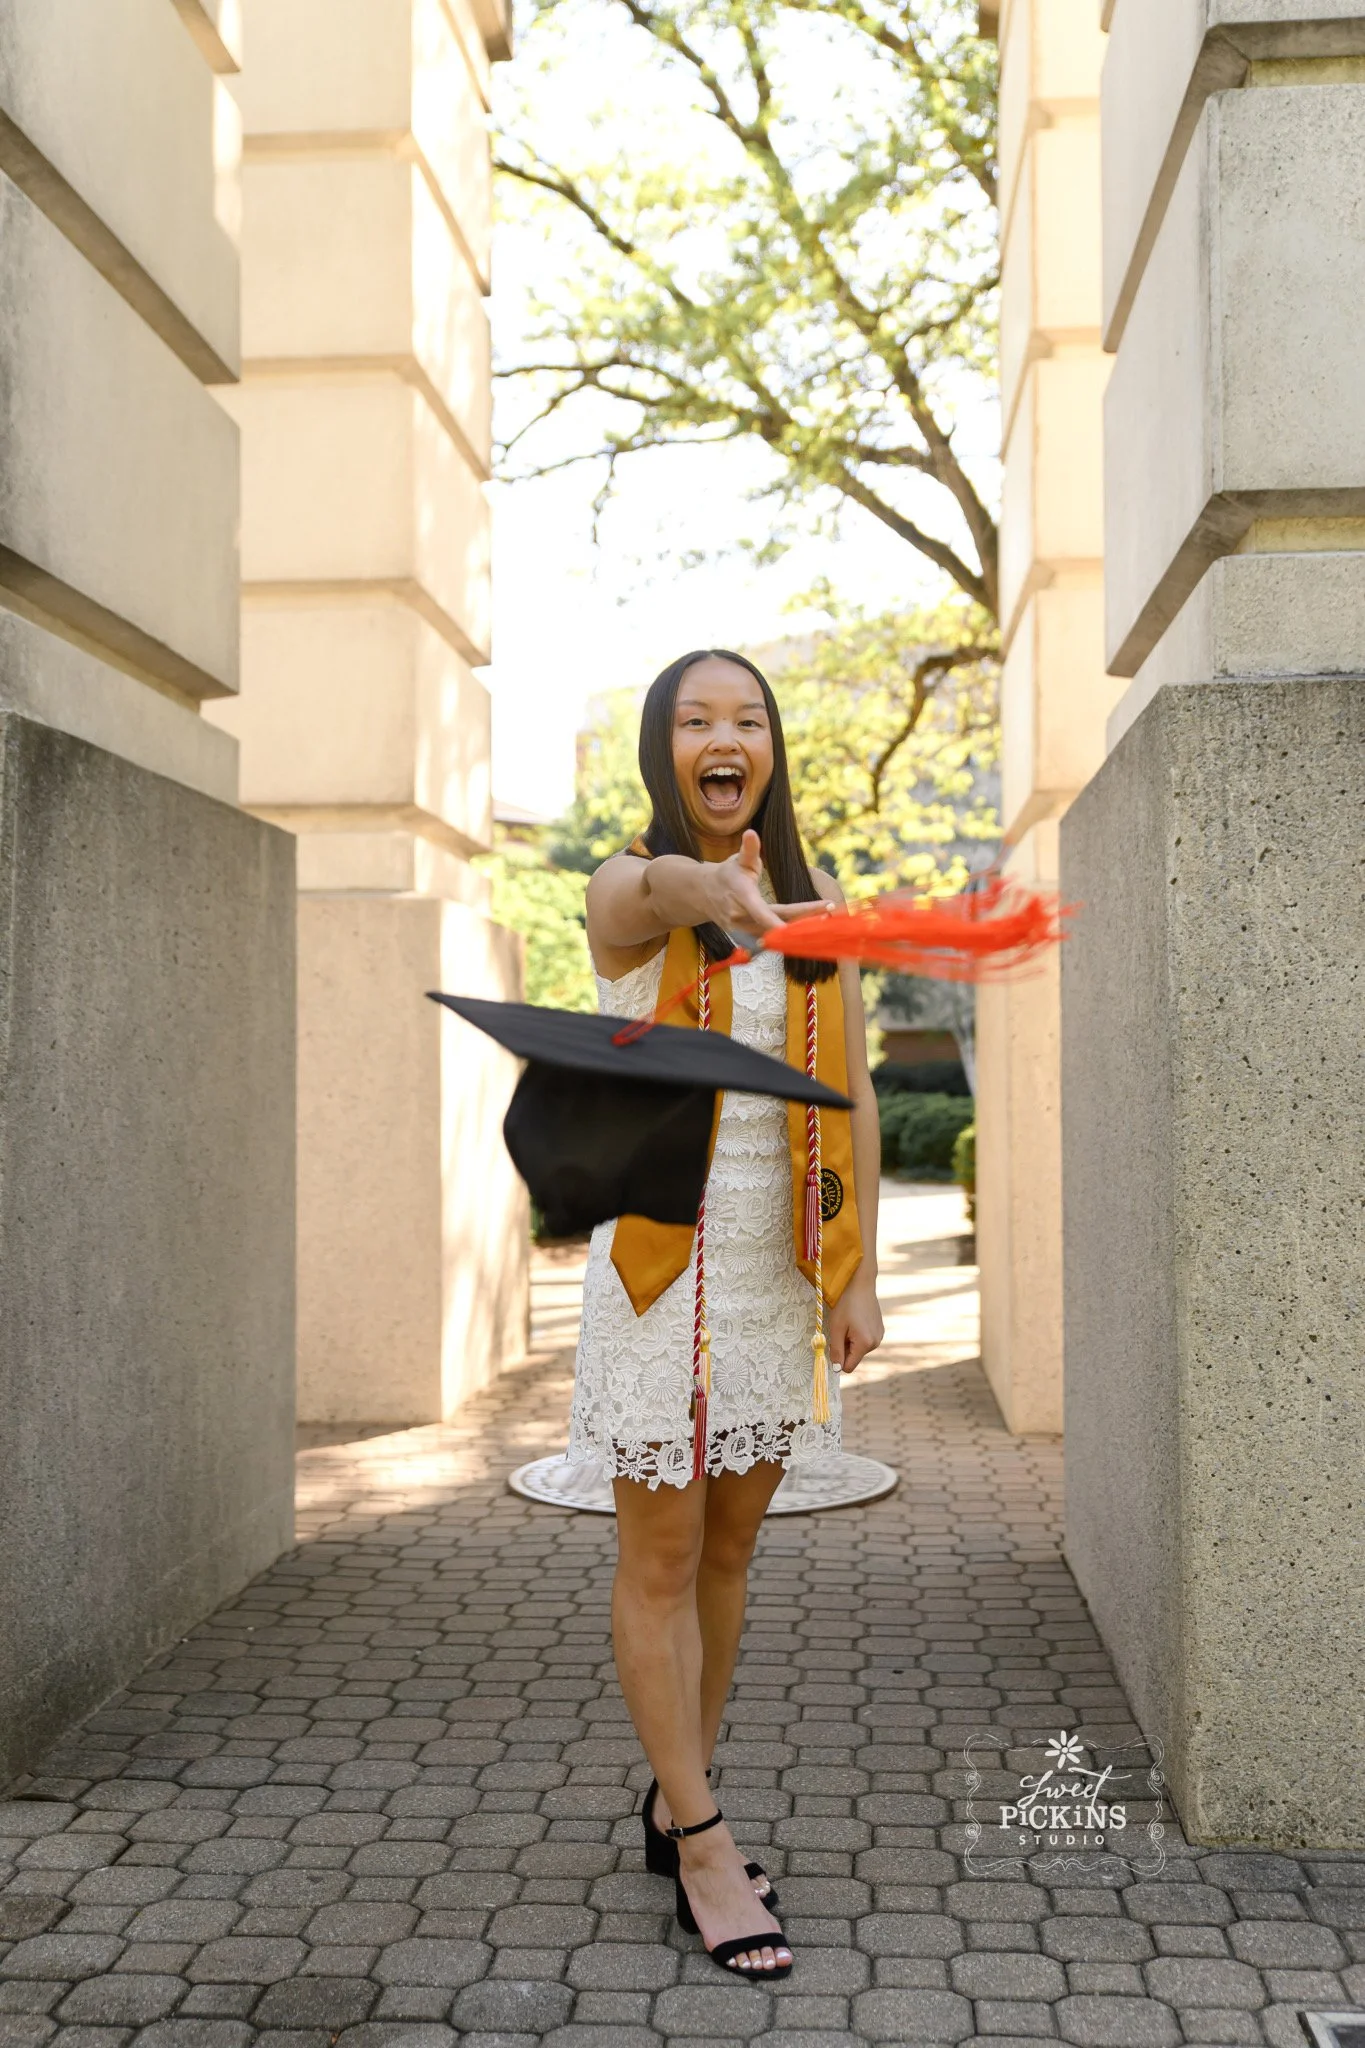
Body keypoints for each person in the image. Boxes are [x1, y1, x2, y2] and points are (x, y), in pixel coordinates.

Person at [572, 649, 884, 1979]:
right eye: (697, 719)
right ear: (665, 749)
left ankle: (670, 1787)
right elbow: (645, 894)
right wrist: (704, 885)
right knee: (658, 1552)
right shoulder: (626, 893)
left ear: (772, 752)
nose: (725, 735)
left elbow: (853, 1095)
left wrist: (856, 1278)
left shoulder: (817, 917)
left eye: (747, 719)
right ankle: (700, 1836)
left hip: (769, 1272)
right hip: (659, 1269)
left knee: (729, 1552)